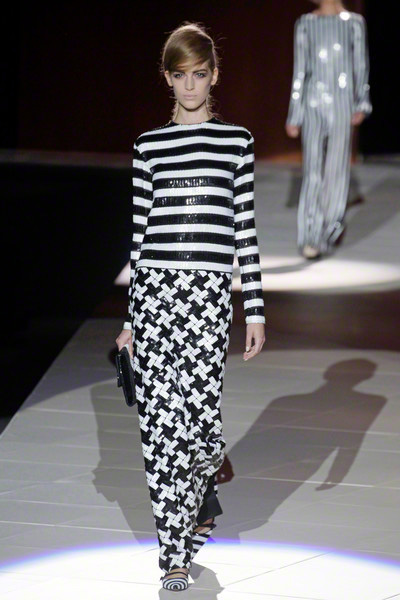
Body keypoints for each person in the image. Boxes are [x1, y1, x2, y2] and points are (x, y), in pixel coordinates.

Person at [115, 22, 265, 591]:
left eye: (199, 74)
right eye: (180, 76)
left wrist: (255, 309)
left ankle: (207, 475)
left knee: (201, 426)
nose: (190, 85)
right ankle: (173, 556)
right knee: (160, 431)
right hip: (155, 291)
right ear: (168, 78)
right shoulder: (148, 146)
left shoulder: (237, 142)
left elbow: (245, 229)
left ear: (213, 75)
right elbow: (138, 237)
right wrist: (130, 319)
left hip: (206, 297)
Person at [286, 0, 372, 259]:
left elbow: (361, 65)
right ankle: (310, 236)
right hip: (312, 102)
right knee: (312, 170)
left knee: (336, 169)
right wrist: (295, 113)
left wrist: (362, 100)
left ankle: (330, 228)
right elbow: (300, 71)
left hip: (343, 103)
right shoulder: (305, 24)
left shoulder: (354, 24)